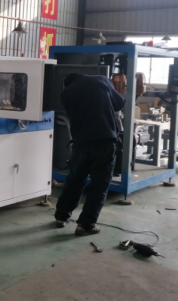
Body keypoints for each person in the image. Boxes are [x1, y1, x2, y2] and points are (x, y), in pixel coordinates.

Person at [54, 73, 126, 236]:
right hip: (104, 141)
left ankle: (61, 216)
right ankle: (86, 224)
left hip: (80, 143)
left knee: (75, 179)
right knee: (99, 184)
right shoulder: (100, 80)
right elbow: (119, 104)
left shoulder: (66, 94)